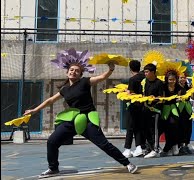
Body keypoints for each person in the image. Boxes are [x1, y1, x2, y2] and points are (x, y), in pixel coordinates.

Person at [23, 48, 138, 176]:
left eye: (77, 71)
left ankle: (128, 163)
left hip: (88, 120)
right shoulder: (64, 89)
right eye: (72, 70)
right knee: (52, 141)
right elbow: (50, 100)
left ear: (80, 74)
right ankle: (53, 168)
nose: (74, 72)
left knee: (104, 145)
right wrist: (34, 110)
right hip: (73, 120)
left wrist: (110, 69)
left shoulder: (85, 82)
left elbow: (102, 77)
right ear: (67, 72)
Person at [122, 60, 146, 158]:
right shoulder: (145, 77)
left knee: (130, 127)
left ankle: (127, 149)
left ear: (130, 68)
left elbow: (130, 93)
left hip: (134, 105)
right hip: (143, 105)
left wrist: (125, 91)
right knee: (139, 127)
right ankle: (139, 147)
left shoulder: (133, 79)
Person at [141, 63, 165, 158]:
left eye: (147, 72)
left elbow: (161, 97)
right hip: (145, 110)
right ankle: (150, 147)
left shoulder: (159, 83)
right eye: (145, 72)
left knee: (155, 130)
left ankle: (156, 149)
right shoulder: (145, 82)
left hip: (155, 110)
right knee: (146, 129)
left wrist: (153, 98)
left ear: (153, 72)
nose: (145, 73)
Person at [160, 70, 183, 157]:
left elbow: (178, 98)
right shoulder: (163, 87)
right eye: (170, 79)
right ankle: (168, 147)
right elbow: (162, 99)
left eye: (173, 79)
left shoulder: (178, 87)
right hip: (165, 109)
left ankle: (174, 145)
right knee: (166, 128)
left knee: (174, 126)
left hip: (174, 109)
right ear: (167, 79)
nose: (172, 81)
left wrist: (179, 99)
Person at [178, 72, 194, 155]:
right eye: (181, 77)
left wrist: (193, 90)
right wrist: (179, 97)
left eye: (184, 77)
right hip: (179, 108)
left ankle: (186, 145)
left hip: (187, 108)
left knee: (188, 127)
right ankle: (180, 145)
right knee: (181, 127)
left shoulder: (188, 87)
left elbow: (193, 98)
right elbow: (175, 98)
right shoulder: (176, 87)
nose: (183, 79)